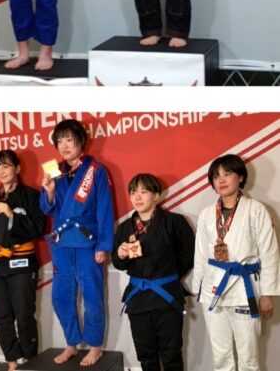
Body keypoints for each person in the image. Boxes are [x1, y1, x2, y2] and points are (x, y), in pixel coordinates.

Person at [193, 154, 279, 371]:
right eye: (216, 176)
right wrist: (199, 290)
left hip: (244, 289)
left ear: (240, 177)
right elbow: (200, 254)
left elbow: (269, 253)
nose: (221, 180)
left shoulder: (256, 209)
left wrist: (267, 294)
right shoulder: (206, 215)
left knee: (249, 357)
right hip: (213, 290)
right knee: (220, 357)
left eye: (227, 174)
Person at [40, 118, 114, 367]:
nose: (64, 145)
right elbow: (46, 208)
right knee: (61, 297)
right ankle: (71, 343)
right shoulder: (54, 171)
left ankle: (95, 346)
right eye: (59, 141)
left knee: (92, 295)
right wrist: (49, 191)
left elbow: (104, 209)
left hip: (87, 242)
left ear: (81, 142)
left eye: (69, 140)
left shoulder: (96, 170)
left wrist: (104, 245)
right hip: (61, 244)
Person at [111, 173, 195, 371]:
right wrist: (121, 255)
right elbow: (118, 263)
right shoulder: (124, 228)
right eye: (133, 192)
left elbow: (188, 256)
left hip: (166, 298)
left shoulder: (175, 222)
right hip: (137, 300)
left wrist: (167, 276)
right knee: (146, 356)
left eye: (144, 191)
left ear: (156, 195)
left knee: (172, 355)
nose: (137, 197)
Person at [0, 149, 45, 371]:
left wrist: (11, 214)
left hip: (22, 263)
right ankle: (12, 362)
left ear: (17, 168)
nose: (1, 171)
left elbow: (38, 228)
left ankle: (30, 360)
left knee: (24, 315)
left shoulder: (31, 196)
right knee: (1, 316)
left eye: (5, 166)